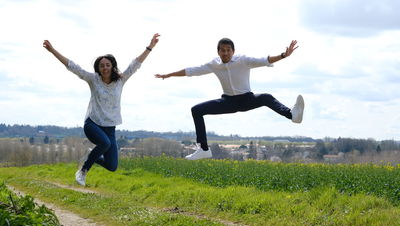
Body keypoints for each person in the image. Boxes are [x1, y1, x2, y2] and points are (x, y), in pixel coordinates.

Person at [155, 38, 304, 160]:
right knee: (196, 110)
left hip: (247, 99)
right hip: (228, 102)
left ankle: (292, 115)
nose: (225, 53)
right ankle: (204, 149)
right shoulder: (214, 64)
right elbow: (192, 71)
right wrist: (169, 74)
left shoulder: (243, 60)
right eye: (222, 50)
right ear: (218, 52)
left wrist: (284, 55)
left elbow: (264, 60)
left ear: (233, 51)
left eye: (228, 50)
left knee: (266, 97)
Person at [43, 33, 160, 185]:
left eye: (107, 65)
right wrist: (53, 51)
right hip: (93, 124)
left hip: (110, 128)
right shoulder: (93, 80)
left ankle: (91, 155)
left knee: (112, 166)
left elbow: (136, 64)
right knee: (105, 144)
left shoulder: (120, 80)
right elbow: (72, 66)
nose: (105, 68)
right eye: (101, 65)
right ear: (98, 68)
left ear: (112, 66)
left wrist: (150, 47)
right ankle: (83, 170)